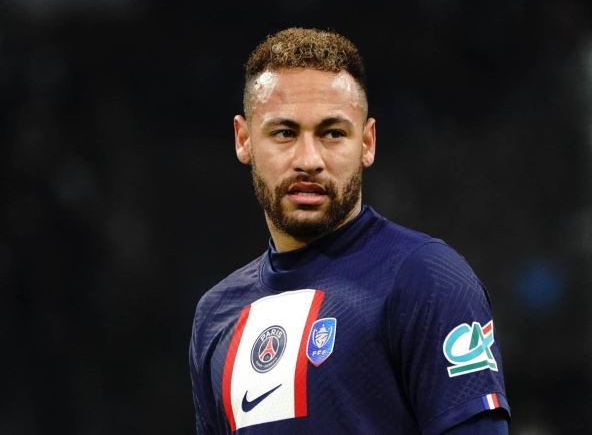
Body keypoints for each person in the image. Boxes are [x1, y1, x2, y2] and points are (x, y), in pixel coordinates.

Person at [189, 27, 510, 434]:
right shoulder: (215, 315)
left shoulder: (428, 280)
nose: (309, 159)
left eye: (333, 133)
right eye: (284, 133)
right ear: (244, 139)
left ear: (367, 143)